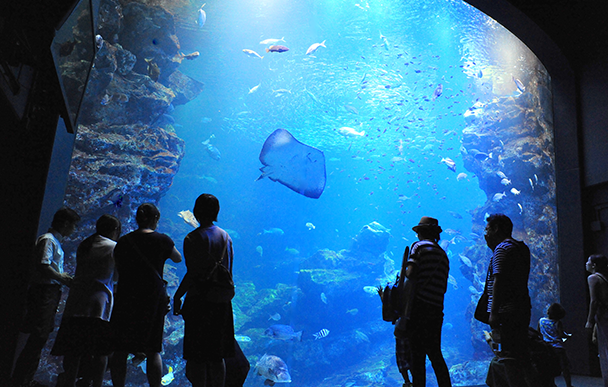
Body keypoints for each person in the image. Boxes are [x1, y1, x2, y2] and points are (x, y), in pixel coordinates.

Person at [110, 203, 182, 387]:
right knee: (153, 349)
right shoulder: (163, 240)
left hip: (127, 297)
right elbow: (177, 258)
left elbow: (117, 269)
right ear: (155, 219)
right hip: (152, 299)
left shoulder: (124, 241)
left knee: (120, 348)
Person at [11, 207, 80, 387]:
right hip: (43, 292)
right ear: (65, 223)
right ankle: (20, 380)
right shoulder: (48, 240)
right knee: (38, 336)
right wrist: (62, 278)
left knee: (40, 337)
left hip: (48, 293)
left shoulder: (54, 241)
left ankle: (25, 378)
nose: (74, 230)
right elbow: (43, 265)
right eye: (73, 225)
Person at [52, 214, 121, 387]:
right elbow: (117, 277)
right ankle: (96, 384)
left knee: (74, 350)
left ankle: (69, 382)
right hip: (99, 306)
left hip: (76, 303)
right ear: (114, 230)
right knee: (100, 351)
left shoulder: (85, 244)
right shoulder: (115, 247)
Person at [174, 194, 235, 387]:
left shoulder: (192, 238)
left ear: (197, 212)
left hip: (199, 302)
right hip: (222, 303)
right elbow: (228, 270)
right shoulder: (226, 237)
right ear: (216, 212)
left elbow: (192, 273)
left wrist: (178, 295)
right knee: (217, 356)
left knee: (197, 356)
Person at [402, 216, 451, 387]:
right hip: (436, 310)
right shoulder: (443, 255)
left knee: (417, 355)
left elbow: (411, 273)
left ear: (421, 232)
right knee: (436, 354)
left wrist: (405, 270)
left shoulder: (419, 246)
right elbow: (443, 287)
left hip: (418, 308)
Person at [482, 213, 531, 360]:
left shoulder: (502, 249)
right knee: (519, 352)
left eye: (488, 229)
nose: (486, 233)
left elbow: (500, 281)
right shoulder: (520, 248)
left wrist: (494, 312)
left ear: (496, 229)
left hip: (506, 311)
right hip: (521, 307)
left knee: (508, 356)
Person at [585, 254, 608, 386]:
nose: (586, 263)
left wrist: (589, 321)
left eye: (588, 261)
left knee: (605, 351)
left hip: (603, 316)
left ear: (594, 265)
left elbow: (594, 301)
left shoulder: (593, 278)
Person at [538, 303, 573, 387]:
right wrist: (568, 336)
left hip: (546, 348)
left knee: (550, 367)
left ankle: (552, 384)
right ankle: (568, 385)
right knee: (565, 367)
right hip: (558, 348)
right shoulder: (558, 323)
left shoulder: (541, 321)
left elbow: (538, 332)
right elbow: (561, 335)